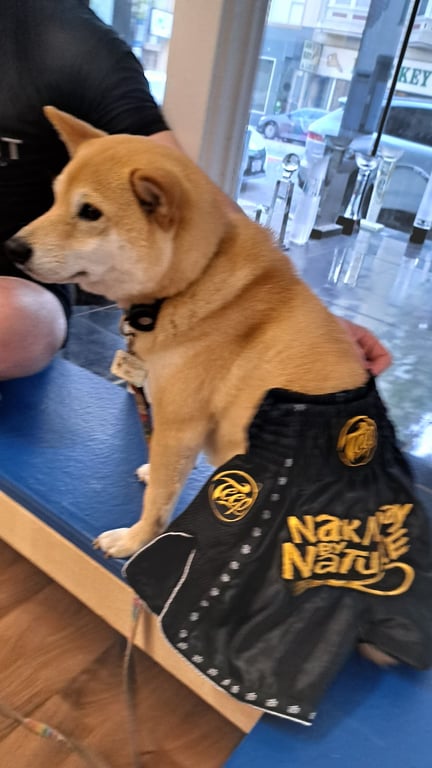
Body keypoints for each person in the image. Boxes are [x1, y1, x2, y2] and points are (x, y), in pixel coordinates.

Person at [0, 0, 391, 381]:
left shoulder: (72, 45)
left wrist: (298, 313)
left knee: (18, 323)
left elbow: (193, 196)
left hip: (21, 282)